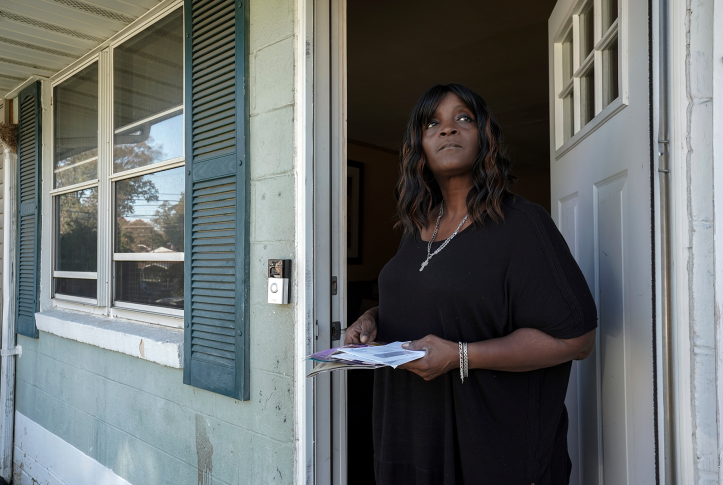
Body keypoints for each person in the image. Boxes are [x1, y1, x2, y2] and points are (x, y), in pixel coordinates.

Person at [344, 83, 597, 485]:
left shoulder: (521, 224)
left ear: (485, 136)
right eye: (433, 123)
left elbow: (577, 339)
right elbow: (426, 295)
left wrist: (461, 355)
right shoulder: (416, 225)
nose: (448, 129)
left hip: (491, 447)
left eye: (463, 118)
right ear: (419, 145)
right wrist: (372, 317)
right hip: (410, 433)